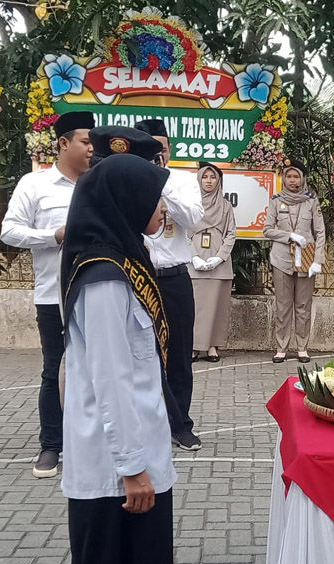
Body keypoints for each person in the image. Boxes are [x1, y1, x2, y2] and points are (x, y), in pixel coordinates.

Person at [59, 154, 176, 564]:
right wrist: (131, 468)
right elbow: (110, 378)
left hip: (138, 460)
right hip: (117, 476)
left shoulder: (123, 262)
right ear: (127, 201)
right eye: (155, 197)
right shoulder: (104, 278)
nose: (163, 207)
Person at [0, 111, 95, 478]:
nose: (91, 149)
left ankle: (90, 443)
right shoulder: (35, 184)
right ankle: (51, 445)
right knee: (54, 370)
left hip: (96, 293)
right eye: (85, 142)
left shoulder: (98, 184)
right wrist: (53, 236)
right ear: (63, 143)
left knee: (97, 370)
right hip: (53, 296)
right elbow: (10, 231)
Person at [135, 119, 204, 451]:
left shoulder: (182, 181)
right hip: (137, 278)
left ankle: (180, 424)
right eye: (149, 148)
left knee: (179, 355)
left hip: (175, 278)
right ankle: (140, 424)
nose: (156, 154)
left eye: (161, 148)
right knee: (137, 353)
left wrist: (160, 182)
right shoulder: (125, 178)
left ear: (170, 149)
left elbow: (193, 219)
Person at [263, 158, 326, 364]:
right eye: (288, 176)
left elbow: (320, 232)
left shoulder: (311, 201)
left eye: (296, 176)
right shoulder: (275, 200)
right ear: (283, 178)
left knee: (303, 305)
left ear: (302, 179)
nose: (292, 180)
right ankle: (281, 347)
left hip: (306, 260)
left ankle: (302, 348)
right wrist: (288, 236)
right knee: (283, 305)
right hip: (281, 259)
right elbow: (267, 229)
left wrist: (318, 259)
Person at [188, 162, 237, 362]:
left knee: (218, 306)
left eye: (213, 177)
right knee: (195, 307)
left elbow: (231, 234)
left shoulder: (225, 206)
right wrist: (194, 257)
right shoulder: (191, 205)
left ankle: (213, 347)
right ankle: (194, 346)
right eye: (205, 177)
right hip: (195, 265)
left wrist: (219, 257)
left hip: (220, 267)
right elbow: (183, 234)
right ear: (199, 179)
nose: (209, 181)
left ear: (219, 181)